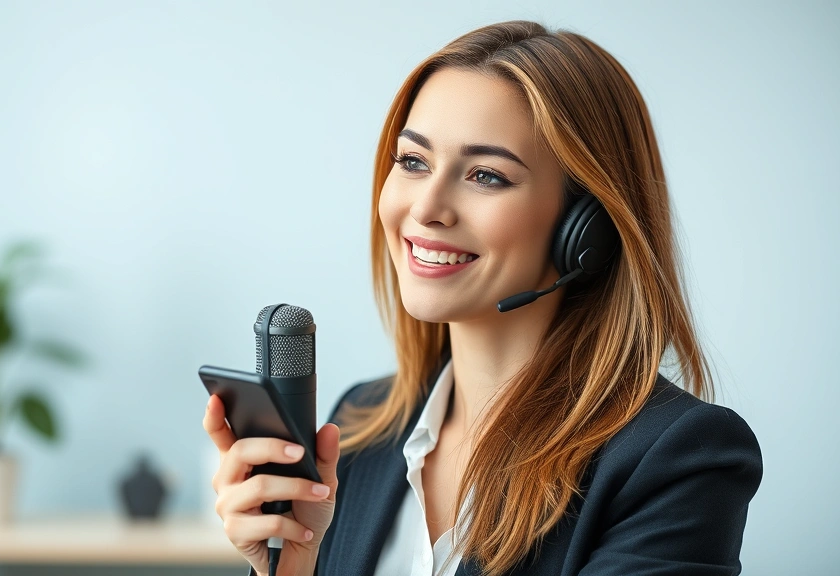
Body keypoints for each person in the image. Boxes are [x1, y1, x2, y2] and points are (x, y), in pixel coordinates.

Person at [203, 20, 763, 576]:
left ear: (585, 229)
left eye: (487, 176)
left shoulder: (677, 459)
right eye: (413, 162)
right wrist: (290, 569)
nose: (427, 209)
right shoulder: (358, 427)